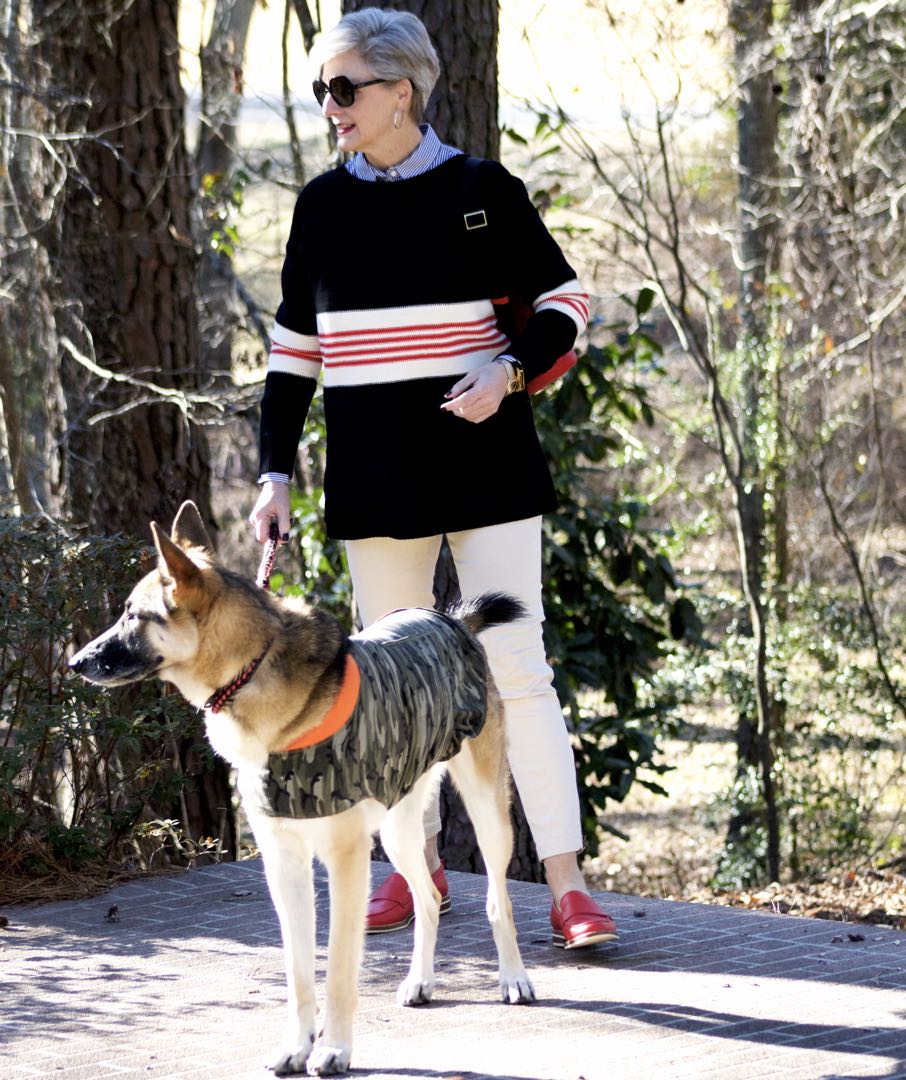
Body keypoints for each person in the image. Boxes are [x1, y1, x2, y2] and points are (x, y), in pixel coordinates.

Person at [249, 6, 617, 951]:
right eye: (321, 89)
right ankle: (414, 878)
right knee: (381, 687)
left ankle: (568, 888)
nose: (329, 106)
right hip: (376, 480)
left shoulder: (482, 190)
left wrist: (509, 371)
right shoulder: (322, 208)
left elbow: (568, 302)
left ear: (400, 92)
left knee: (517, 673)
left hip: (488, 468)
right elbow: (294, 351)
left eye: (343, 88)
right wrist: (275, 473)